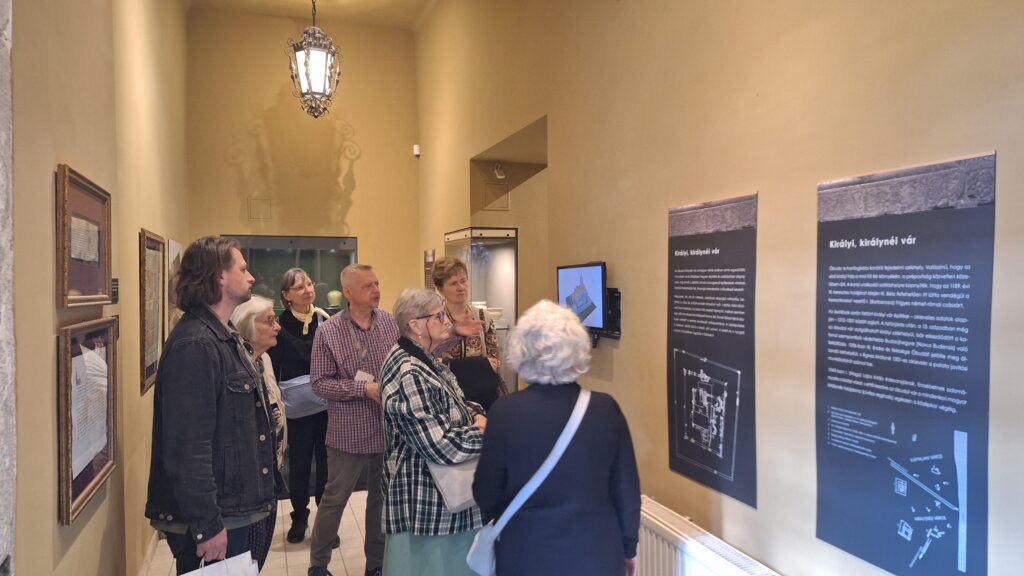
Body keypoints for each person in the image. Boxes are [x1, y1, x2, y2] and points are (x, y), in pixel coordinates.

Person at [472, 300, 641, 576]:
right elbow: (627, 491)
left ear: (521, 351)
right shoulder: (605, 409)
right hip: (596, 555)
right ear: (578, 349)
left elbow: (485, 493)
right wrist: (629, 548)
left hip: (526, 554)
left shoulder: (505, 411)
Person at [145, 236, 279, 575]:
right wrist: (207, 524)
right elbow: (188, 446)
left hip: (233, 507)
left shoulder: (223, 335)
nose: (251, 277)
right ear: (220, 275)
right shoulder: (197, 344)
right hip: (217, 516)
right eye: (243, 270)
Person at [379, 288, 487, 576]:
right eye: (438, 316)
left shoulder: (424, 357)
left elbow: (457, 400)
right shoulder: (409, 371)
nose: (446, 321)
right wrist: (486, 434)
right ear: (415, 325)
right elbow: (439, 446)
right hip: (425, 500)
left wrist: (476, 414)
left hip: (442, 496)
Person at [307, 264, 399, 576]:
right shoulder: (328, 331)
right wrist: (363, 388)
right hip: (348, 432)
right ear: (348, 292)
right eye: (368, 286)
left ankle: (376, 565)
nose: (376, 290)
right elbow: (319, 383)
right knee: (334, 499)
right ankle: (318, 565)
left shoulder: (389, 322)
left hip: (386, 427)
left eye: (377, 283)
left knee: (380, 500)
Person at [267, 268, 330, 544]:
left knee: (326, 463)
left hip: (326, 403)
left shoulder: (324, 320)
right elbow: (273, 368)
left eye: (309, 284)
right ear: (286, 295)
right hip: (296, 407)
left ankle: (325, 521)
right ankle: (299, 517)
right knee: (300, 462)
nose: (308, 290)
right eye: (300, 287)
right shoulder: (279, 325)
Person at [231, 295, 288, 571]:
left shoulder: (263, 360)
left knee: (256, 560)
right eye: (269, 321)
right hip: (246, 489)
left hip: (268, 477)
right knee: (244, 560)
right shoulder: (235, 368)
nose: (277, 326)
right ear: (247, 327)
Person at [431, 256, 507, 408]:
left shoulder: (483, 316)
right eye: (454, 283)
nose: (461, 287)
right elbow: (431, 361)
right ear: (440, 289)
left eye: (463, 281)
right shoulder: (435, 319)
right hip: (448, 397)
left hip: (481, 396)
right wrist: (477, 365)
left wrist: (455, 366)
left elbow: (494, 362)